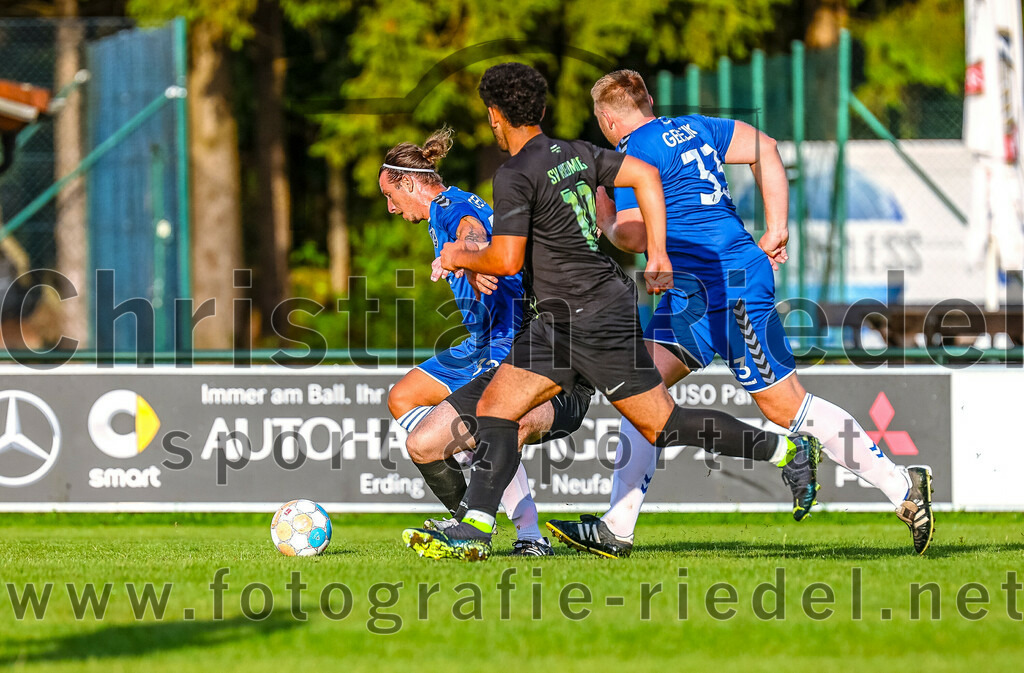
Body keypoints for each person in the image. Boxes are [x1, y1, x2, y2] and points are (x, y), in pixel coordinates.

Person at [401, 62, 815, 562]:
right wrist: (657, 252)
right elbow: (643, 175)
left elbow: (506, 259)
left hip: (592, 315)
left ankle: (784, 449)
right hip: (560, 316)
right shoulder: (574, 152)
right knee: (495, 409)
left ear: (494, 116)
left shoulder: (513, 174)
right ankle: (476, 527)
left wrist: (457, 256)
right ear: (542, 110)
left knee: (663, 425)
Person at [548, 70, 934, 557]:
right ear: (647, 100)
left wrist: (604, 218)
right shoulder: (695, 128)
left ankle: (904, 486)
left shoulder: (633, 153)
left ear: (606, 120)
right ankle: (616, 528)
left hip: (730, 287)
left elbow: (631, 233)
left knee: (785, 407)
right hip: (695, 291)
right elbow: (766, 146)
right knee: (641, 389)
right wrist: (776, 228)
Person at [378, 128, 551, 556]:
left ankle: (526, 533)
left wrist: (472, 260)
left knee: (495, 427)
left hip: (504, 336)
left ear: (409, 183)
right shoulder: (454, 202)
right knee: (403, 398)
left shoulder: (449, 207)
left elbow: (473, 234)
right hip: (477, 340)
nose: (390, 207)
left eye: (389, 195)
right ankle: (467, 521)